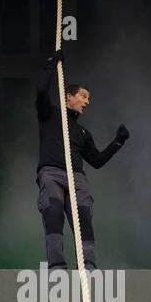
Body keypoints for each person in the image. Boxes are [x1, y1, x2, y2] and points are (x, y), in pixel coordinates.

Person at [35, 50, 129, 270]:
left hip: (77, 177)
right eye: (83, 96)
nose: (87, 102)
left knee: (84, 218)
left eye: (88, 99)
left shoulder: (83, 133)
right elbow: (41, 92)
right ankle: (57, 265)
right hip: (52, 173)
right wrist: (51, 64)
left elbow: (97, 160)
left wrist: (118, 142)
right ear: (68, 96)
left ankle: (87, 265)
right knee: (54, 213)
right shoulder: (50, 116)